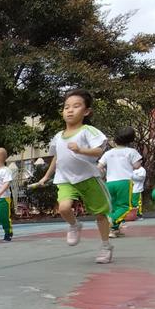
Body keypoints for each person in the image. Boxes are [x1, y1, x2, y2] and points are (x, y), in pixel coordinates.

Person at [30, 89, 114, 264]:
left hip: (88, 178)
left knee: (100, 214)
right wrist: (46, 177)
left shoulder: (88, 131)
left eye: (76, 106)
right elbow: (57, 158)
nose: (70, 110)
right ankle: (75, 225)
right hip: (65, 179)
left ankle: (106, 246)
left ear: (86, 111)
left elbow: (99, 150)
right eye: (66, 107)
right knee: (63, 208)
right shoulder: (58, 137)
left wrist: (80, 149)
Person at [98, 127, 143, 238]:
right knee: (125, 207)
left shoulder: (108, 153)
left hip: (110, 183)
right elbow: (137, 166)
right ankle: (112, 220)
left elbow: (99, 166)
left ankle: (113, 230)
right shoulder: (131, 152)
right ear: (130, 140)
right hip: (124, 182)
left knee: (113, 207)